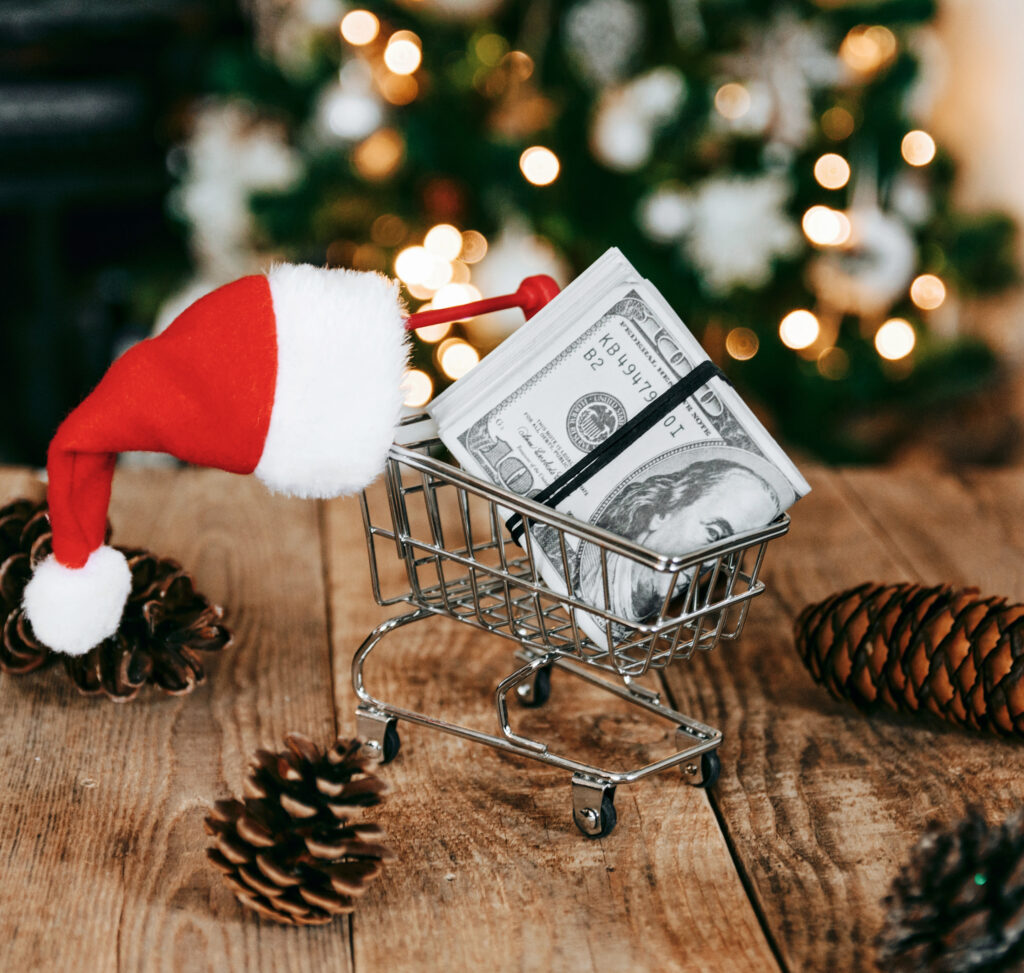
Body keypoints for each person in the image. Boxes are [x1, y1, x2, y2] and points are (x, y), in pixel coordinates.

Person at [573, 457, 781, 627]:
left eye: (728, 548)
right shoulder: (585, 571)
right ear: (662, 512)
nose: (711, 563)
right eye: (713, 533)